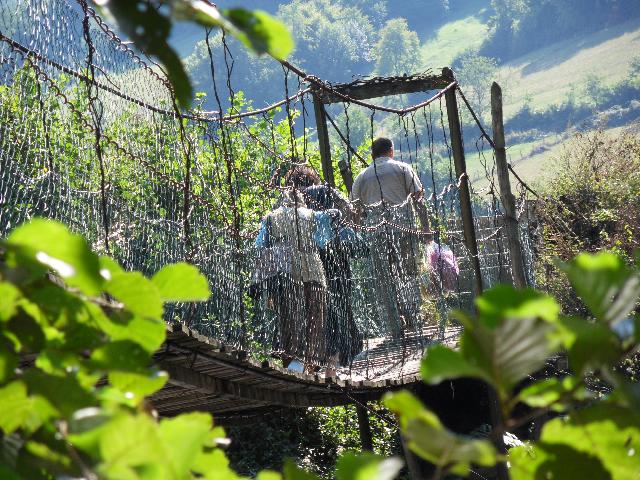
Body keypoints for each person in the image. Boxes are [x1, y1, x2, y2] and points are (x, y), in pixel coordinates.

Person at [284, 165, 364, 375]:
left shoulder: (290, 198)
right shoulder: (327, 190)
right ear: (313, 178)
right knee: (341, 302)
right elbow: (350, 209)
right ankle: (338, 359)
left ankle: (316, 361)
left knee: (315, 312)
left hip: (307, 261)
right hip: (336, 257)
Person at [349, 137, 431, 337]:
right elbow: (419, 201)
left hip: (375, 234)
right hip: (403, 231)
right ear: (391, 151)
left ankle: (394, 327)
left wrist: (359, 235)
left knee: (383, 279)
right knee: (408, 274)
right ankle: (413, 318)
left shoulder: (361, 177)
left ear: (373, 155)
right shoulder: (403, 168)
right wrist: (426, 229)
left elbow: (355, 212)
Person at [252, 188, 339, 374]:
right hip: (313, 271)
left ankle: (292, 363)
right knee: (316, 318)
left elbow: (260, 245)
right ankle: (311, 363)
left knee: (288, 318)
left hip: (285, 272)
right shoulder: (313, 215)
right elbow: (324, 238)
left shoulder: (270, 218)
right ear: (302, 202)